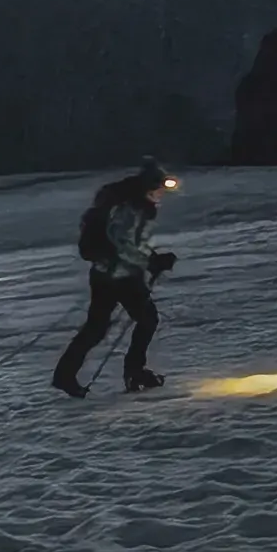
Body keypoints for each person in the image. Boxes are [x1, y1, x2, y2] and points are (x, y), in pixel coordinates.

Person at [52, 158, 180, 398]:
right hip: (121, 276)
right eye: (160, 189)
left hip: (105, 273)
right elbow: (123, 244)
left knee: (97, 327)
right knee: (146, 319)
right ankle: (134, 372)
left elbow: (128, 243)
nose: (162, 194)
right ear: (149, 187)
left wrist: (151, 257)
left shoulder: (123, 203)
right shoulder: (132, 208)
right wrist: (152, 261)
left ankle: (65, 375)